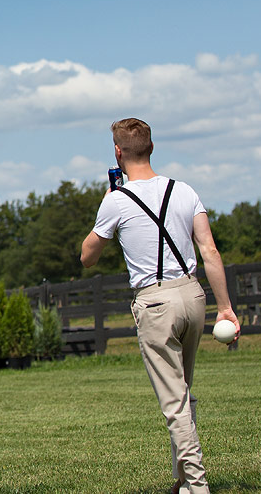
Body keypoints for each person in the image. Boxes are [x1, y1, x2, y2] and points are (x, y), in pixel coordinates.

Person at [81, 118, 240, 494]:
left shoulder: (116, 201)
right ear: (152, 147)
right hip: (193, 296)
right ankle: (183, 481)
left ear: (117, 153)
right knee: (183, 391)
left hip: (155, 304)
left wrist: (109, 206)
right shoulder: (185, 191)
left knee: (174, 402)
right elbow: (210, 251)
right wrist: (226, 308)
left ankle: (197, 487)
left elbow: (87, 257)